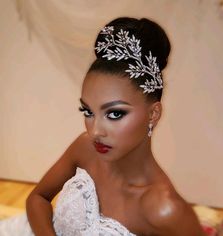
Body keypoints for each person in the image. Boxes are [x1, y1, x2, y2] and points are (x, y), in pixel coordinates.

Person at [0, 17, 205, 236]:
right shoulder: (85, 148)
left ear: (153, 114)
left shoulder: (165, 210)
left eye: (115, 113)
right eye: (88, 112)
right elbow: (38, 198)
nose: (95, 131)